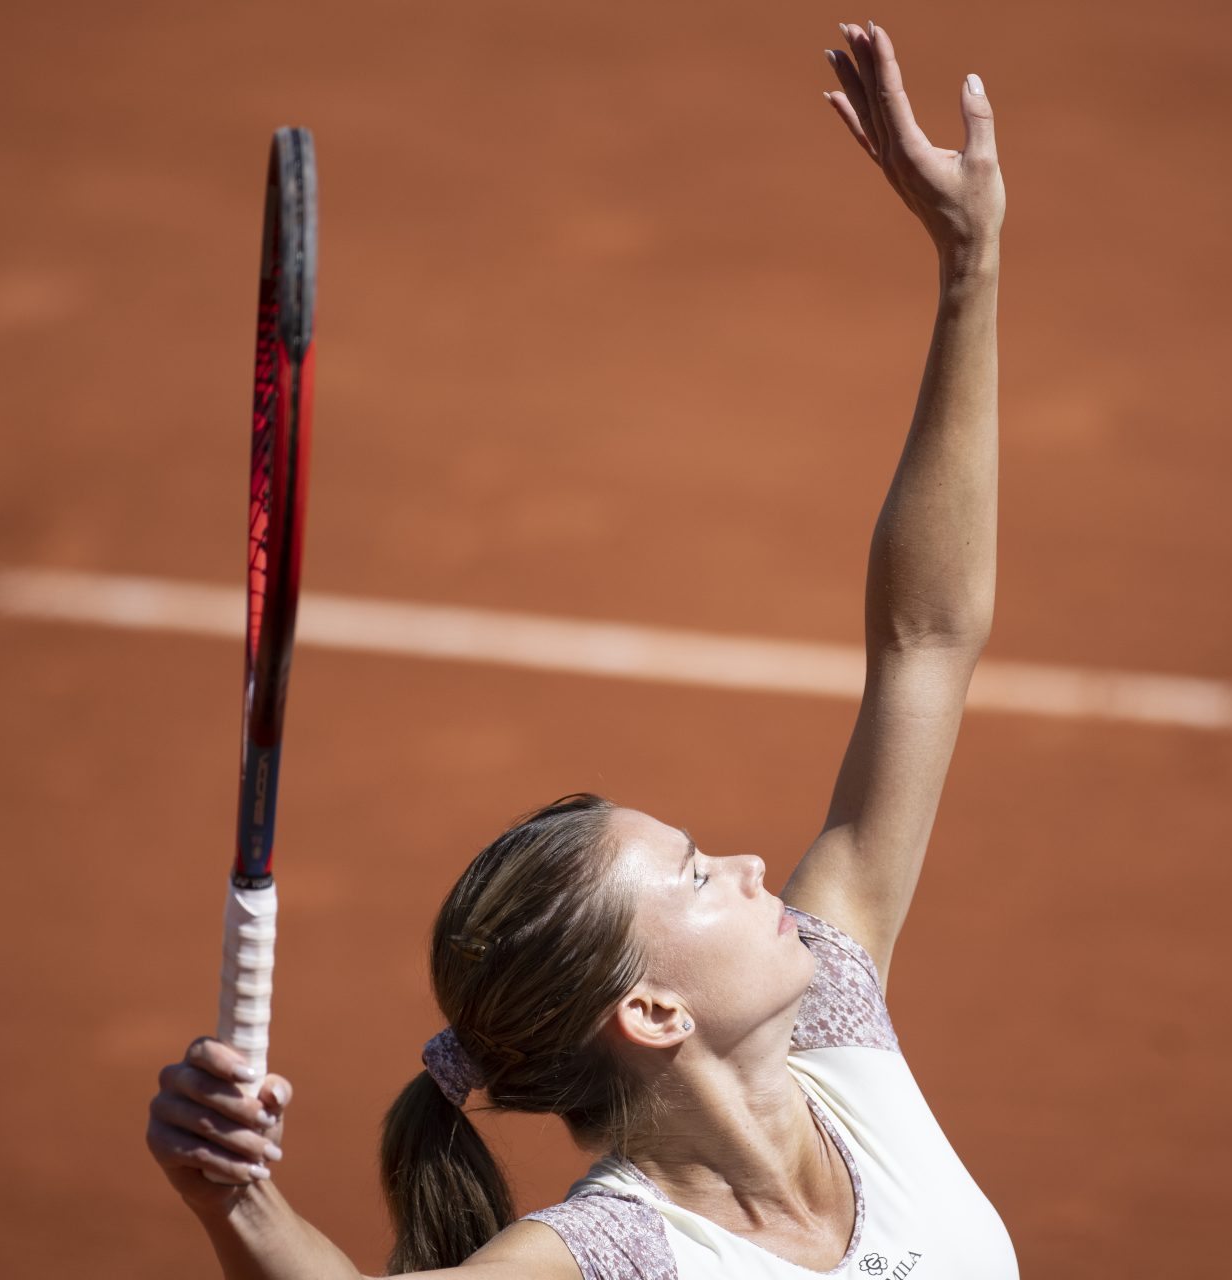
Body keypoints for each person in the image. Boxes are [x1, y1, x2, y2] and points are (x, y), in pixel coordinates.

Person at [146, 19, 1008, 1278]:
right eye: (702, 872)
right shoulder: (613, 1254)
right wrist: (242, 1204)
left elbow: (925, 637)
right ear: (651, 1012)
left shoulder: (836, 1013)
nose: (759, 860)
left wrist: (969, 264)